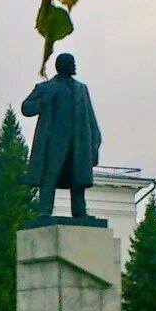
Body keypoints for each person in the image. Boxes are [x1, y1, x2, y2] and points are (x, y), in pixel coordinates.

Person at [20, 52, 104, 220]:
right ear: (62, 66)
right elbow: (26, 108)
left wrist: (96, 137)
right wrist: (44, 102)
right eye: (71, 63)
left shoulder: (81, 88)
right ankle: (45, 210)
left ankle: (79, 211)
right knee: (50, 175)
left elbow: (89, 114)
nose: (75, 66)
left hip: (78, 140)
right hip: (53, 141)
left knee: (77, 176)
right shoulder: (46, 88)